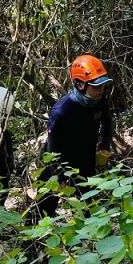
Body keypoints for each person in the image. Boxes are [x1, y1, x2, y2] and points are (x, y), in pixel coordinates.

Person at [37, 54, 114, 216]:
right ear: (80, 84)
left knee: (87, 207)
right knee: (43, 208)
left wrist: (105, 146)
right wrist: (57, 176)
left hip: (86, 160)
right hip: (59, 161)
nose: (101, 91)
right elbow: (52, 146)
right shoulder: (62, 111)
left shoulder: (100, 102)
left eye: (103, 86)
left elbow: (107, 121)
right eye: (96, 87)